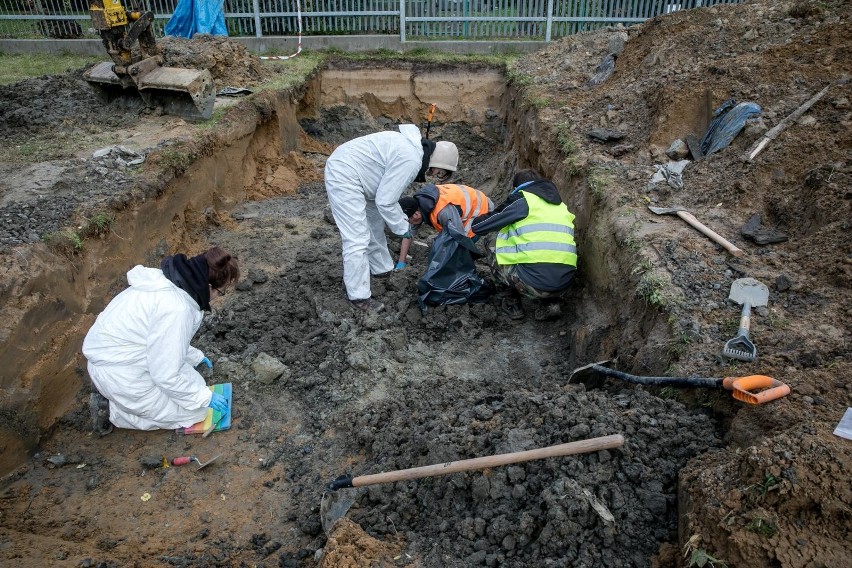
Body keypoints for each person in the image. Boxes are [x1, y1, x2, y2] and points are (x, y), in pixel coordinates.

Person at [82, 246, 239, 435]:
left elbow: (160, 338)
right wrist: (205, 399)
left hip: (126, 355)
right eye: (220, 293)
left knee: (194, 386)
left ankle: (114, 395)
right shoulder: (176, 309)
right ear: (208, 287)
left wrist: (194, 356)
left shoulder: (169, 283)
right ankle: (110, 408)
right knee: (197, 411)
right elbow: (166, 375)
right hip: (120, 372)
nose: (217, 299)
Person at [324, 123, 458, 312]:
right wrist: (403, 228)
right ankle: (359, 296)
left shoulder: (412, 150)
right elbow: (386, 201)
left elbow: (385, 197)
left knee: (375, 225)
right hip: (344, 174)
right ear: (438, 164)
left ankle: (382, 269)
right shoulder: (411, 159)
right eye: (440, 172)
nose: (435, 175)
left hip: (363, 177)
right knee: (357, 238)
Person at [471, 169, 577, 321]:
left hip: (534, 285)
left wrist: (472, 221)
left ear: (516, 188)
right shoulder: (561, 207)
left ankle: (511, 304)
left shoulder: (523, 199)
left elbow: (480, 227)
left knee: (492, 243)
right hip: (564, 285)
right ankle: (550, 304)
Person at [396, 182, 493, 270]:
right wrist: (401, 262)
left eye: (408, 220)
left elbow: (459, 237)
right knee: (442, 244)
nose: (408, 223)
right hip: (464, 209)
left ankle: (465, 268)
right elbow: (408, 235)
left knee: (457, 248)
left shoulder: (443, 212)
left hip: (481, 210)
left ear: (416, 215)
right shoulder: (419, 205)